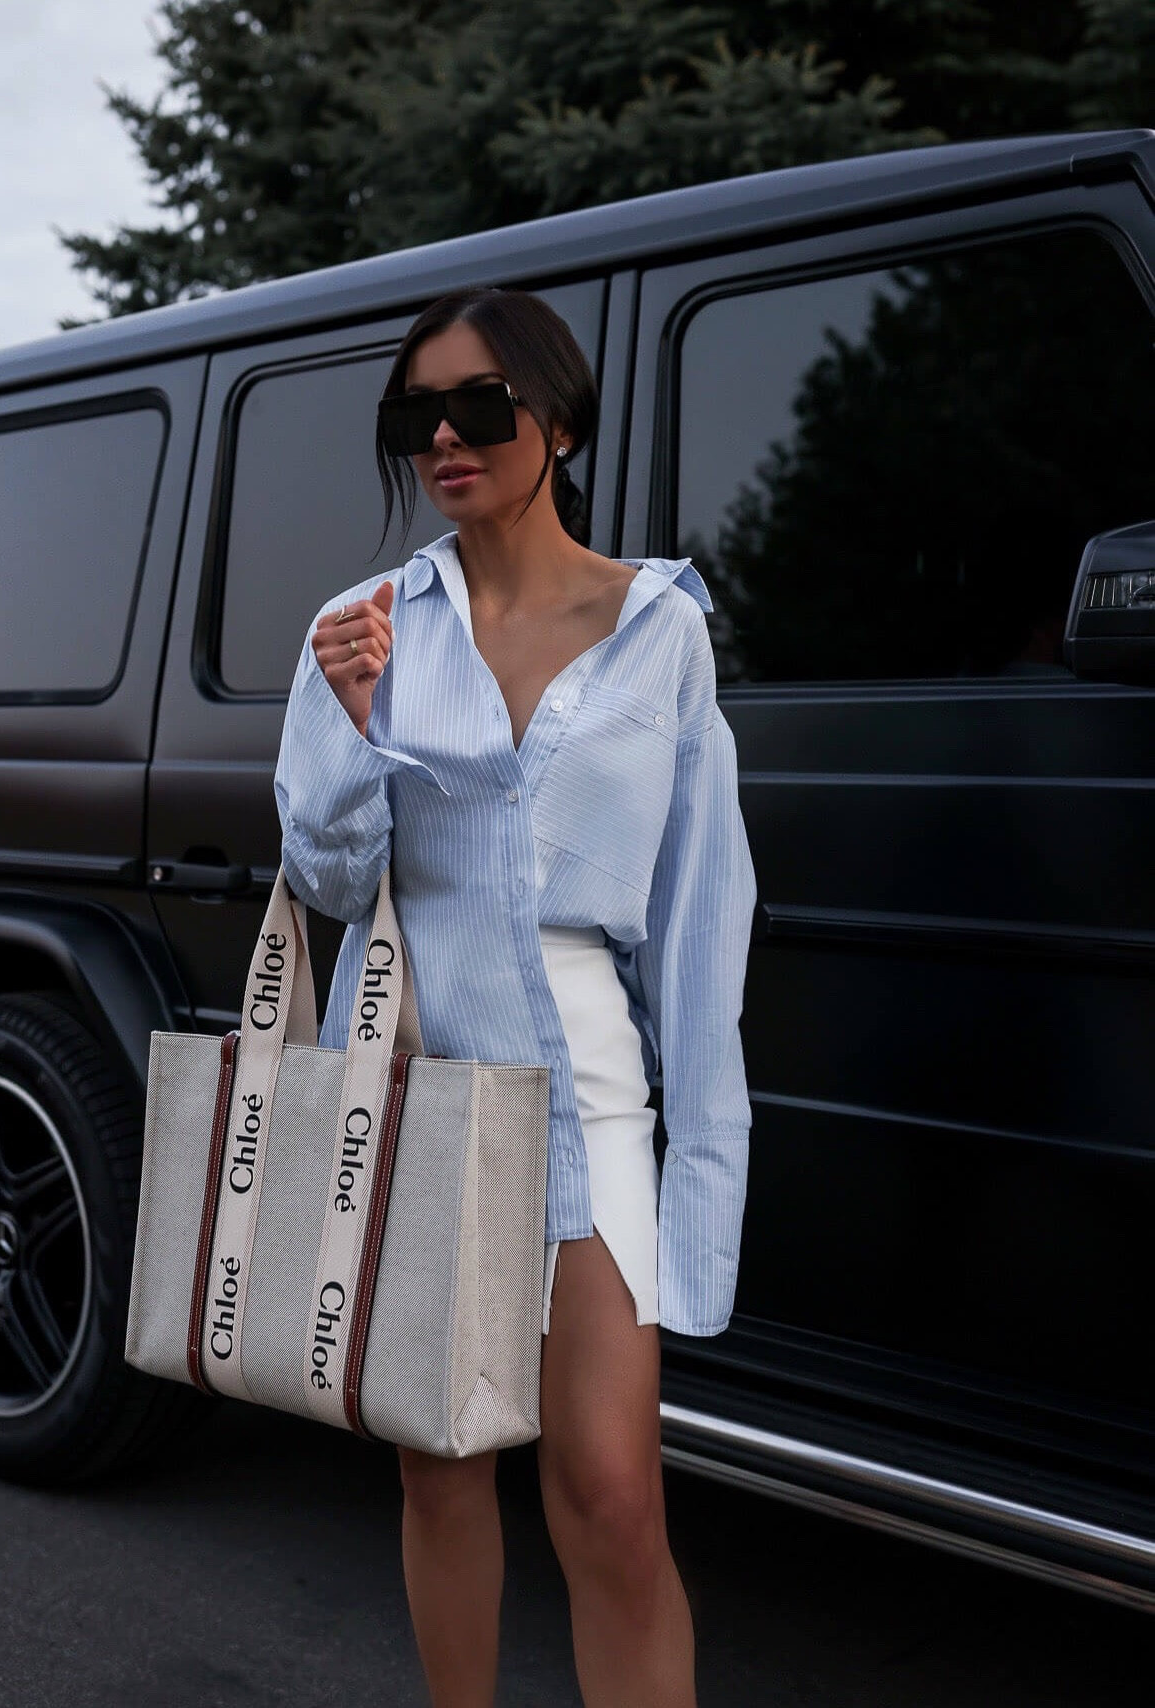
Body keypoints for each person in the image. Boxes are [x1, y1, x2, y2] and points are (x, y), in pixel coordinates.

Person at [273, 285, 757, 1708]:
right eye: (413, 413)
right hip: (420, 1064)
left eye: (476, 406)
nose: (441, 436)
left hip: (585, 1075)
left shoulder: (656, 628)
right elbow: (322, 872)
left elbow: (698, 913)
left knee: (611, 1490)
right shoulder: (362, 628)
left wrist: (704, 1171)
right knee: (441, 1466)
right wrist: (358, 727)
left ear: (554, 419)